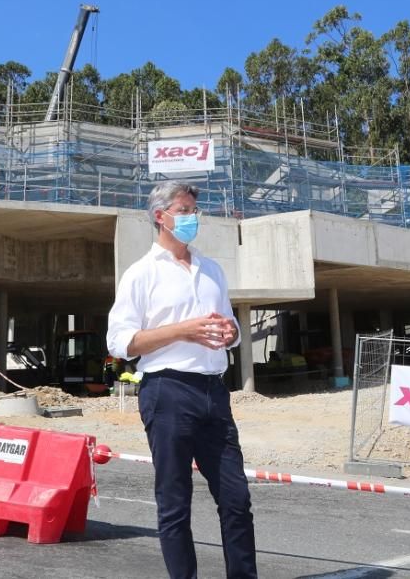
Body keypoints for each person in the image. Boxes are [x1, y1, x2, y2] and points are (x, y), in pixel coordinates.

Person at [107, 181, 257, 579]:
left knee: (236, 498)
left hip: (213, 391)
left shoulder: (212, 270)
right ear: (161, 216)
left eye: (195, 210)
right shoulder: (140, 274)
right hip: (167, 390)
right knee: (175, 502)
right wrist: (181, 331)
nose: (193, 218)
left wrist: (232, 334)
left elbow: (230, 326)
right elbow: (121, 342)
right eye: (185, 210)